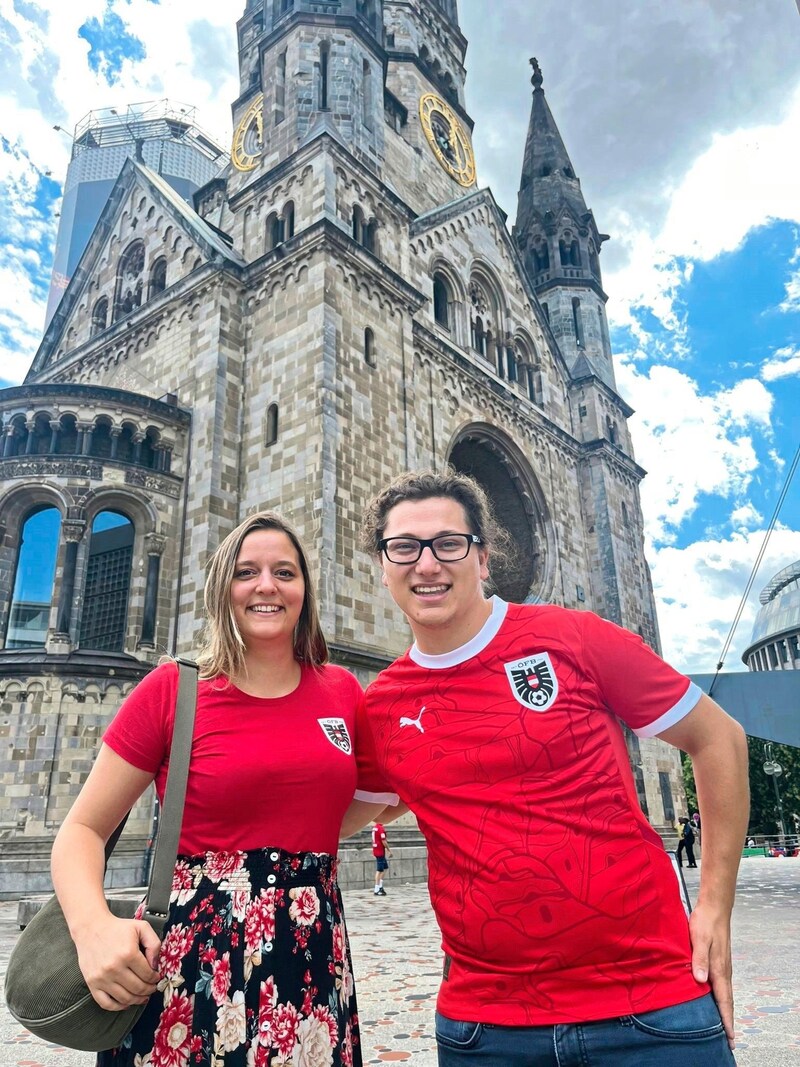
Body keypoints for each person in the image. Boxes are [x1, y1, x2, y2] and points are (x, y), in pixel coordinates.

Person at [352, 468, 749, 1067]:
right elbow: (336, 815)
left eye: (448, 544)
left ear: (483, 559)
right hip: (487, 1030)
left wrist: (715, 907)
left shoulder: (574, 638)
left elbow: (719, 738)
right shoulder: (381, 706)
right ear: (383, 568)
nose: (426, 564)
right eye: (404, 548)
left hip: (652, 1009)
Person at [51, 511, 390, 1067]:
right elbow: (83, 829)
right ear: (221, 588)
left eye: (285, 572)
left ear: (304, 589)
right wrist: (92, 931)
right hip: (188, 959)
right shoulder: (174, 688)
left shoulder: (342, 691)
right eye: (246, 572)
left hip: (310, 956)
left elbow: (374, 795)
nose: (266, 586)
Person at [371, 820, 393, 895]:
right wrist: (389, 850)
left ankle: (380, 885)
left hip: (376, 850)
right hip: (380, 851)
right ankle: (377, 888)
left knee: (385, 867)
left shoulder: (375, 827)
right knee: (379, 870)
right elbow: (383, 841)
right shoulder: (380, 828)